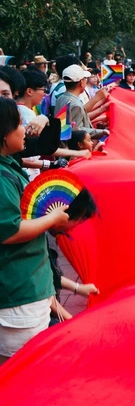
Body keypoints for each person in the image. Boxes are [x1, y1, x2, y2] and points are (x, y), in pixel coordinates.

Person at [1, 97, 71, 364]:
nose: (24, 130)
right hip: (17, 299)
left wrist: (44, 119)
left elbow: (46, 141)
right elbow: (10, 231)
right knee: (24, 376)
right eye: (19, 124)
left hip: (27, 291)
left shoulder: (9, 162)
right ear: (3, 134)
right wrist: (52, 219)